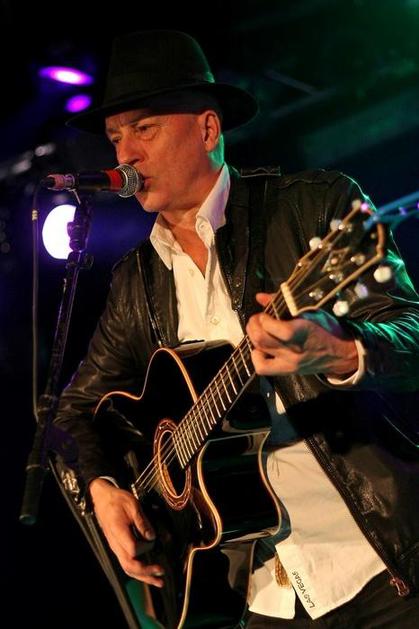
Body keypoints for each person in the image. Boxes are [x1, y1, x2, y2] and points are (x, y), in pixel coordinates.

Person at [55, 29, 419, 628]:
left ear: (207, 129)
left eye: (145, 129)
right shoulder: (135, 283)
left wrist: (338, 351)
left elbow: (412, 332)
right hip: (261, 597)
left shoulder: (311, 206)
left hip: (382, 565)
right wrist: (101, 488)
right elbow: (70, 413)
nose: (125, 156)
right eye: (117, 138)